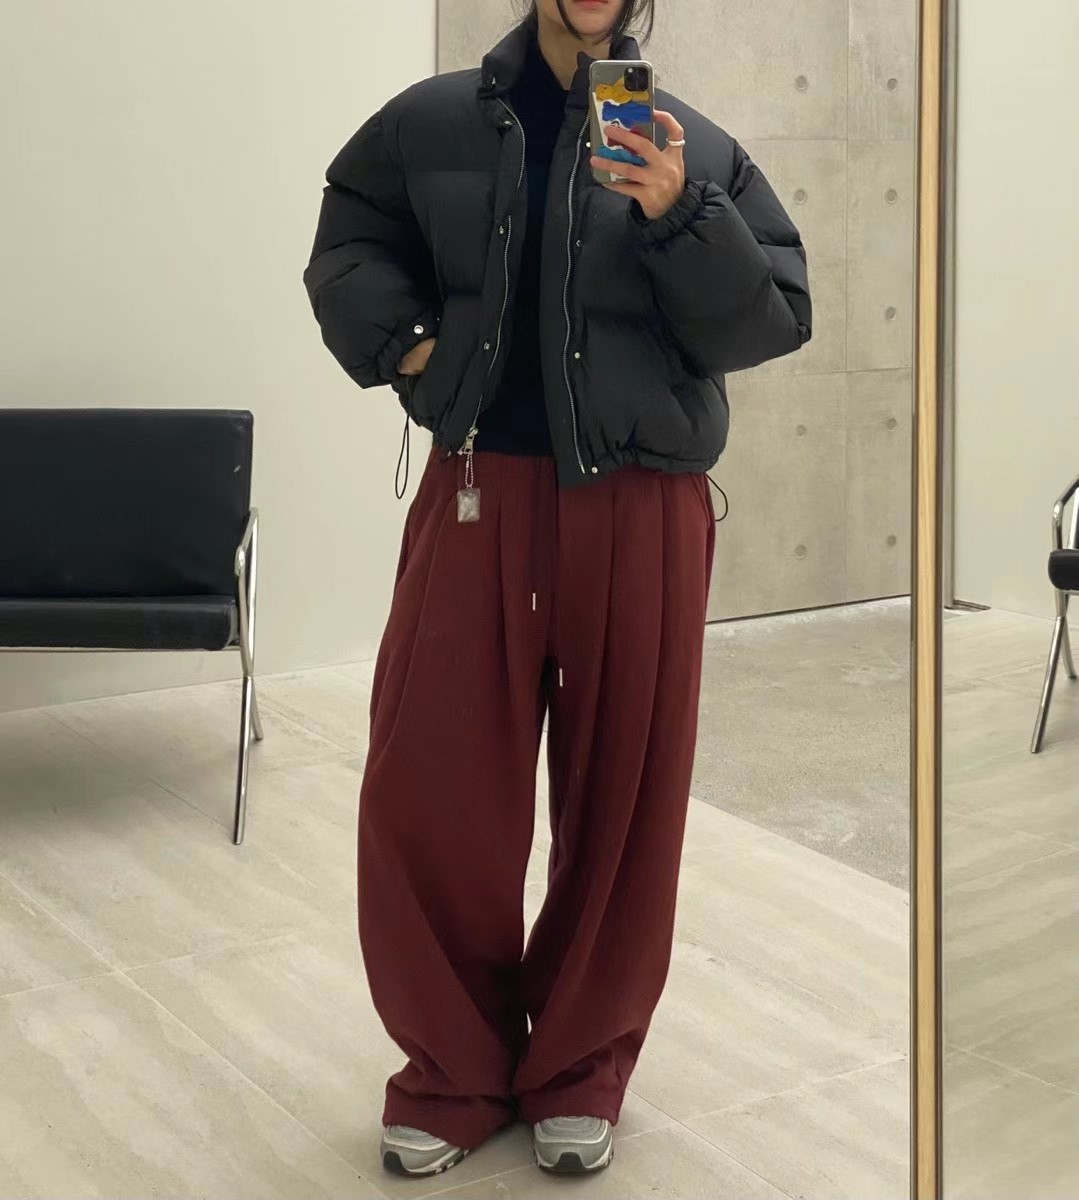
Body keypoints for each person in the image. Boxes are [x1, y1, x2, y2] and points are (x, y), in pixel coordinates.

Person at [303, 0, 810, 1179]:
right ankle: (452, 1066)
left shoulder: (692, 144)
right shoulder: (431, 122)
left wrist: (678, 211)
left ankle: (580, 1067)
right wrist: (411, 351)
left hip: (642, 504)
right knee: (429, 788)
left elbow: (769, 319)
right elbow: (347, 241)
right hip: (477, 492)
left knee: (621, 795)